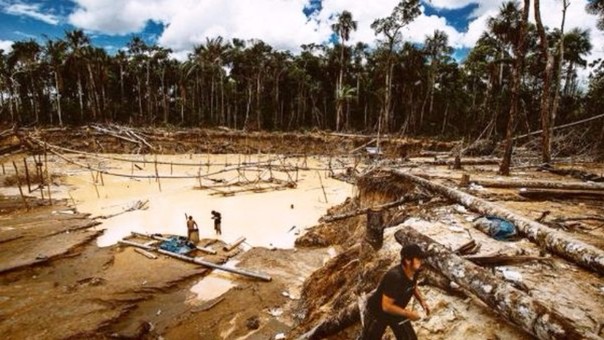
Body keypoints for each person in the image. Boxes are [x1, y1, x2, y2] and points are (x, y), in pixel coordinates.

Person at [361, 244, 430, 340]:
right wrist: (409, 314)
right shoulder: (395, 277)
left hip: (396, 310)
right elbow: (386, 306)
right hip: (377, 313)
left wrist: (421, 300)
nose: (421, 261)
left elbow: (412, 286)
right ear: (408, 260)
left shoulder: (414, 271)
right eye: (418, 259)